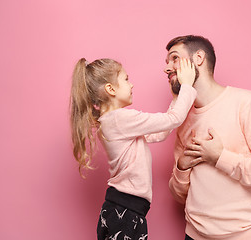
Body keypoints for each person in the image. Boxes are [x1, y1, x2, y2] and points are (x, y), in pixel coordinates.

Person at [165, 35, 251, 240]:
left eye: (174, 58)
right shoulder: (182, 119)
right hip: (194, 236)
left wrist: (219, 157)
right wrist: (181, 167)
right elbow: (179, 195)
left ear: (198, 58)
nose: (167, 68)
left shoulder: (246, 103)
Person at [69, 57, 197, 240]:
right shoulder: (119, 119)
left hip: (127, 209)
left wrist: (177, 98)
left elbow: (159, 134)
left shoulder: (114, 123)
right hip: (125, 211)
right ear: (110, 89)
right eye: (126, 79)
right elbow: (173, 119)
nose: (132, 85)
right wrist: (187, 86)